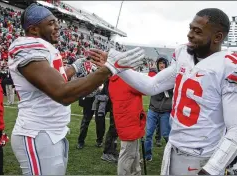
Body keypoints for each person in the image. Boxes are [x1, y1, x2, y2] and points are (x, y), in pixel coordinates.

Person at [89, 8, 237, 175]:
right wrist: (116, 67)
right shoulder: (183, 54)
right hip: (173, 148)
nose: (190, 35)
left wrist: (210, 170)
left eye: (197, 31)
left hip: (203, 155)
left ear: (217, 37)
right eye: (190, 28)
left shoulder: (232, 67)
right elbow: (152, 85)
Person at [8, 3, 144, 175]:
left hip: (52, 131)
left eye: (56, 22)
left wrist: (75, 66)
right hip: (37, 132)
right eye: (51, 23)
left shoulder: (44, 48)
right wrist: (109, 68)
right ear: (34, 29)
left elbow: (58, 77)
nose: (58, 26)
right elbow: (62, 92)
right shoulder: (27, 47)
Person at [108, 74, 146, 175]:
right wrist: (152, 71)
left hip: (128, 122)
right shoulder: (125, 79)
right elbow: (146, 87)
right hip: (130, 123)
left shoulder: (115, 79)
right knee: (127, 157)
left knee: (133, 155)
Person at [145, 55, 173, 161]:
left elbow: (174, 91)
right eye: (160, 63)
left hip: (165, 111)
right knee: (148, 134)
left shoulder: (171, 78)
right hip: (153, 109)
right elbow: (148, 86)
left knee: (166, 134)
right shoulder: (154, 76)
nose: (161, 65)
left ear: (166, 64)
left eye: (163, 63)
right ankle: (147, 156)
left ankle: (171, 155)